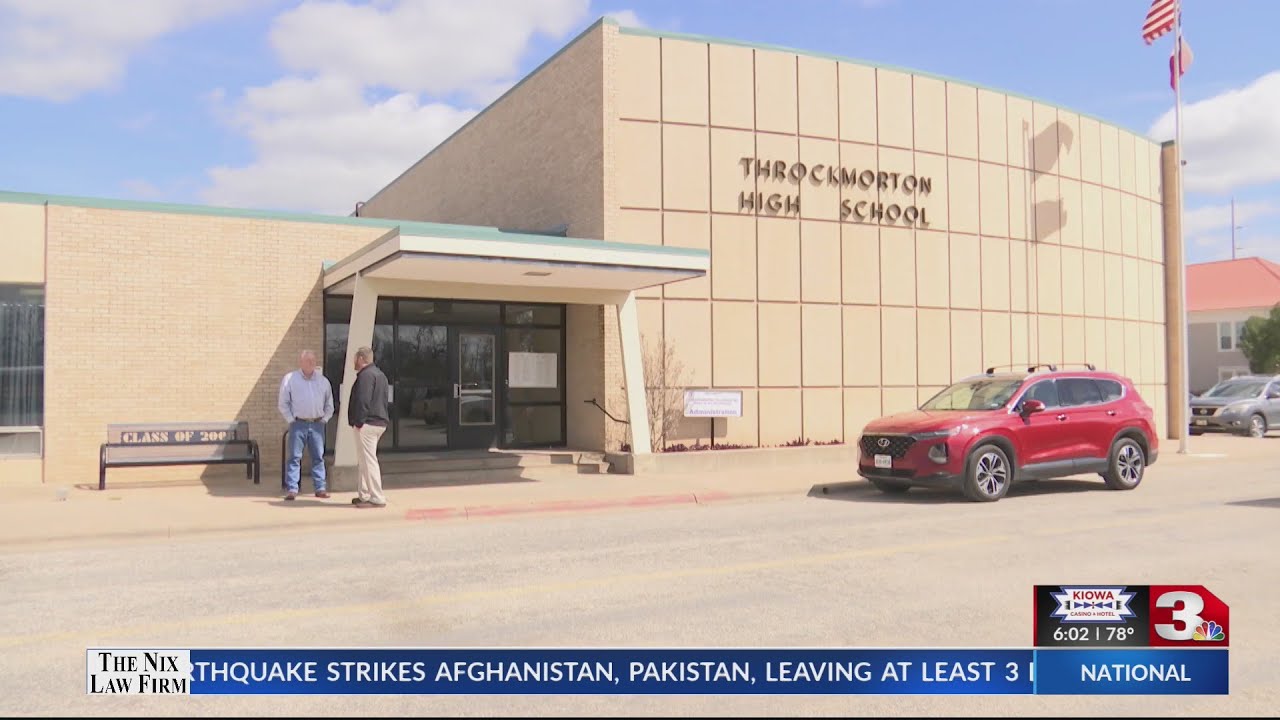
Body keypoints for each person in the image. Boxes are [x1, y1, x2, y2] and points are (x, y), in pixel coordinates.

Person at [278, 350, 335, 501]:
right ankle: (292, 489)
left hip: (317, 425)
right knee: (295, 458)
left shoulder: (323, 381)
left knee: (318, 457)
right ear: (301, 362)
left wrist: (325, 419)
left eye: (313, 361)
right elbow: (283, 403)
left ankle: (320, 488)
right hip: (298, 424)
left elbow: (330, 404)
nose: (311, 363)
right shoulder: (290, 379)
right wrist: (291, 420)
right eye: (308, 361)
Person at [348, 345, 390, 508]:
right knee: (364, 460)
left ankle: (377, 497)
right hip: (379, 422)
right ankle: (364, 494)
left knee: (368, 460)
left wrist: (359, 422)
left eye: (355, 359)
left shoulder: (365, 376)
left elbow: (363, 401)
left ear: (360, 359)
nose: (354, 362)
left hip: (368, 424)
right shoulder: (380, 375)